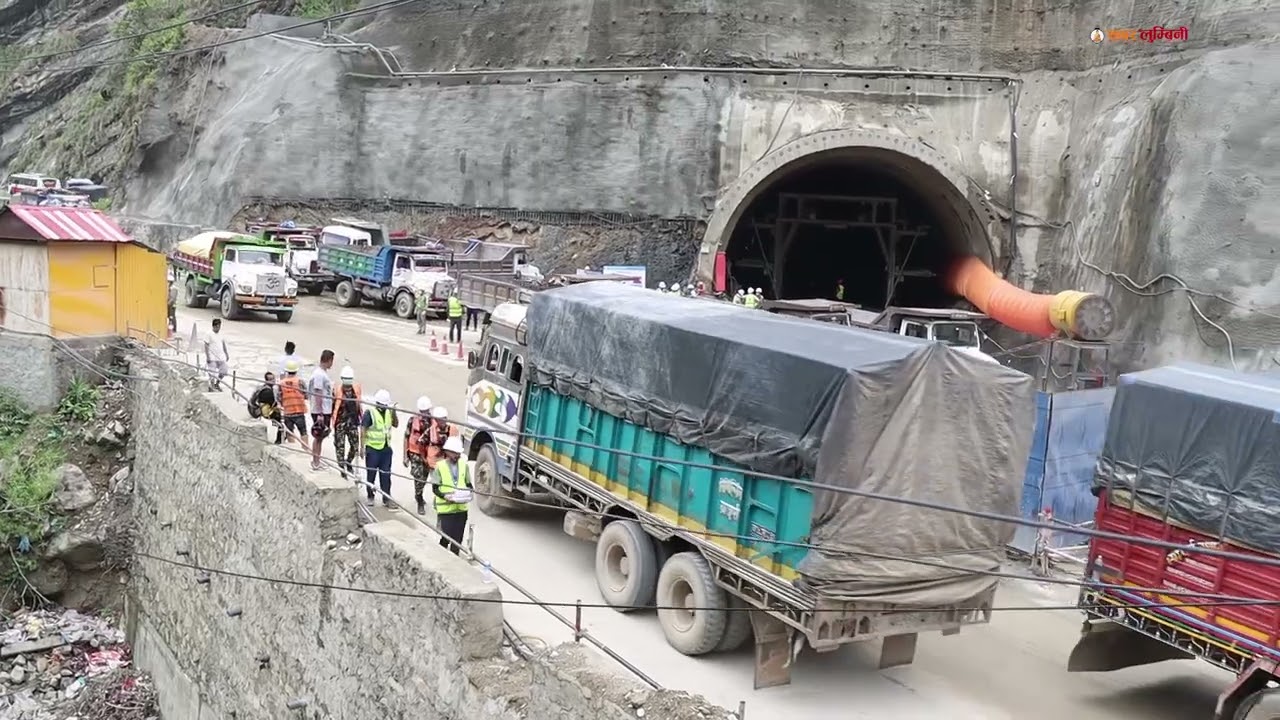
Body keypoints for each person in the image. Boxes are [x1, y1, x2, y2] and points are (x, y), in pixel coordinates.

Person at [431, 435, 472, 555]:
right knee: (446, 536)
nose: (457, 456)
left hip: (461, 508)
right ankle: (440, 556)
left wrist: (468, 493)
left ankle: (455, 560)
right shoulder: (440, 466)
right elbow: (435, 488)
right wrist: (445, 496)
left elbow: (469, 484)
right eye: (455, 453)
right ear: (447, 452)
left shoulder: (464, 465)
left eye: (458, 453)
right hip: (446, 508)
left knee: (457, 540)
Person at [361, 389, 399, 508]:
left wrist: (394, 413)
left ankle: (386, 498)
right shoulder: (370, 413)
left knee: (386, 475)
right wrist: (361, 447)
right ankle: (370, 496)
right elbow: (363, 430)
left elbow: (395, 424)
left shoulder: (388, 412)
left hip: (386, 448)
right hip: (372, 449)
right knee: (371, 474)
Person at [330, 366, 362, 479]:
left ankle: (348, 462)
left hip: (352, 422)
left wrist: (360, 418)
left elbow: (359, 404)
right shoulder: (337, 390)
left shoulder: (356, 389)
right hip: (340, 423)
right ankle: (342, 470)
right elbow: (333, 406)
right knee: (340, 447)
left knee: (355, 446)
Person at [405, 395, 434, 515]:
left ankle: (419, 494)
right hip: (415, 453)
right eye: (423, 411)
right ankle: (419, 499)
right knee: (418, 477)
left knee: (424, 477)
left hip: (427, 454)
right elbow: (406, 437)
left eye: (427, 411)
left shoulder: (433, 422)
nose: (425, 413)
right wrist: (405, 456)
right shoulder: (412, 420)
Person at [308, 350, 335, 471]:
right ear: (329, 360)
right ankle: (316, 462)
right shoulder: (319, 374)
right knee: (318, 435)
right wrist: (320, 413)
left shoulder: (322, 373)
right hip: (321, 411)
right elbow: (318, 393)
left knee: (321, 436)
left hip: (324, 410)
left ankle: (317, 460)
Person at [277, 360, 309, 445]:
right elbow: (306, 395)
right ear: (296, 371)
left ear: (286, 371)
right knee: (303, 431)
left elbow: (279, 398)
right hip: (299, 411)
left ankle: (293, 449)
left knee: (290, 432)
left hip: (288, 412)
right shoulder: (300, 382)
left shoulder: (281, 383)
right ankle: (306, 449)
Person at [250, 371, 284, 444]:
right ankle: (279, 440)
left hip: (259, 409)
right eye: (271, 379)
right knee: (282, 420)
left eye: (273, 378)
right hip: (265, 411)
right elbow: (274, 404)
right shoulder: (267, 392)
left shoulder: (263, 388)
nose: (273, 381)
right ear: (266, 380)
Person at [202, 319, 229, 391]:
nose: (218, 328)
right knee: (212, 373)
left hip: (220, 357)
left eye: (219, 326)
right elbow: (206, 345)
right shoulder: (209, 334)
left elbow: (223, 344)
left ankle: (217, 383)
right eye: (217, 326)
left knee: (224, 371)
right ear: (214, 326)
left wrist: (226, 353)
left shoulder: (221, 334)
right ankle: (212, 385)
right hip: (212, 357)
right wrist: (208, 357)